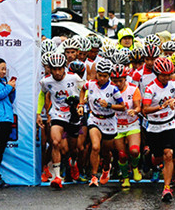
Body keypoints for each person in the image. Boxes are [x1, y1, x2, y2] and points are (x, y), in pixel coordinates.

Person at [142, 57, 175, 202]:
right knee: (158, 159)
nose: (166, 78)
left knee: (169, 154)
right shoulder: (150, 88)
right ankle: (150, 158)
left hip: (169, 125)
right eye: (163, 75)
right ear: (157, 74)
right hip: (154, 127)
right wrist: (161, 107)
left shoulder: (174, 84)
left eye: (168, 75)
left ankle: (167, 188)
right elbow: (145, 109)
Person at [79, 59, 125, 187]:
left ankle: (106, 167)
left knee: (105, 152)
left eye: (105, 76)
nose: (102, 78)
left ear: (109, 75)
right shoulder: (90, 84)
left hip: (109, 121)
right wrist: (81, 104)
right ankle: (94, 176)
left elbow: (122, 106)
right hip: (94, 119)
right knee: (95, 147)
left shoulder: (113, 89)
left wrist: (109, 105)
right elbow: (82, 89)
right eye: (100, 75)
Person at [41, 53, 82, 189]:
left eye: (60, 69)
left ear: (64, 68)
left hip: (73, 115)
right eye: (54, 69)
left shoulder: (74, 78)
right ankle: (57, 177)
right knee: (55, 142)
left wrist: (80, 104)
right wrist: (39, 113)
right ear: (50, 69)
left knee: (73, 149)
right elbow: (42, 95)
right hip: (57, 115)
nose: (57, 72)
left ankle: (73, 162)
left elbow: (85, 90)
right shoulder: (46, 81)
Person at [110, 64, 142, 188]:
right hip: (117, 126)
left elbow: (138, 106)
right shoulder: (108, 90)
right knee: (122, 155)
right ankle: (125, 177)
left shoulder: (133, 89)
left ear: (125, 79)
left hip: (132, 124)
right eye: (115, 81)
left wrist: (135, 111)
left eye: (120, 80)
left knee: (134, 150)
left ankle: (135, 167)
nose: (118, 83)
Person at [0, 58, 17, 188]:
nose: (4, 72)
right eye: (2, 69)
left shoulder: (3, 82)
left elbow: (10, 100)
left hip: (6, 120)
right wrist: (9, 87)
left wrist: (12, 90)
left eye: (5, 69)